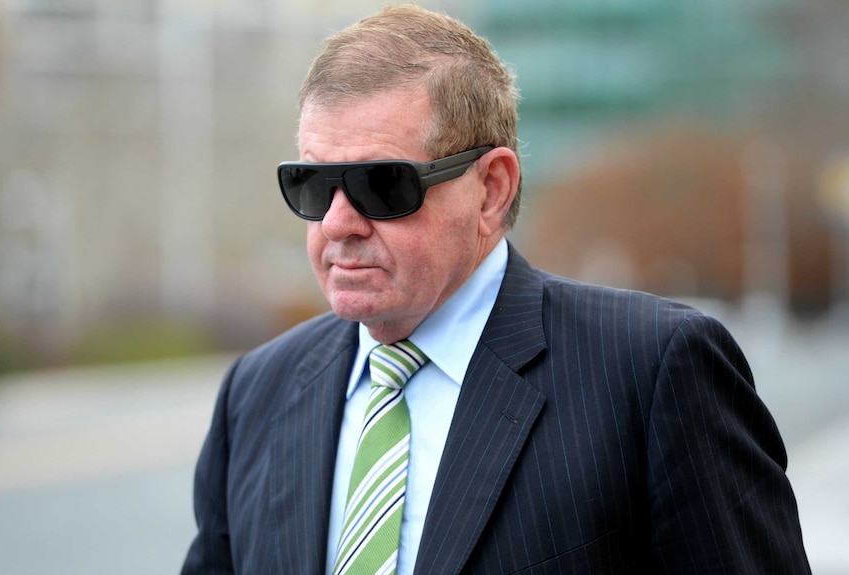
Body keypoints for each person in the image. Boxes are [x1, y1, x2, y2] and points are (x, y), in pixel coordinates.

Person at [182, 5, 810, 574]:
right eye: (312, 186)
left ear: (492, 189)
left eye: (381, 184)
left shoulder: (651, 373)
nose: (339, 223)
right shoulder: (254, 395)